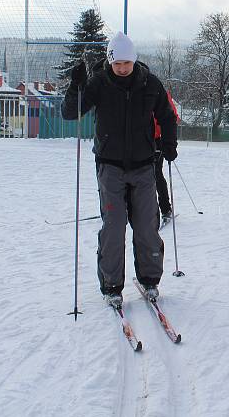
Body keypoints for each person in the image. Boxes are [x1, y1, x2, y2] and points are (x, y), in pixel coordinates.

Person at [61, 32, 178, 308]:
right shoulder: (99, 83)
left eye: (126, 63)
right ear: (110, 61)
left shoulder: (150, 84)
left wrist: (169, 144)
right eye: (117, 63)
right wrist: (75, 86)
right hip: (110, 166)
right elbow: (70, 112)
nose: (122, 68)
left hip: (143, 166)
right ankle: (111, 285)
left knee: (147, 226)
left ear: (133, 61)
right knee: (113, 227)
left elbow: (167, 115)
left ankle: (150, 280)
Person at [154, 92, 180, 223]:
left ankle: (165, 209)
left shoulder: (158, 91)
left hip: (156, 139)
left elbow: (172, 116)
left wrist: (169, 143)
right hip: (137, 141)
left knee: (156, 174)